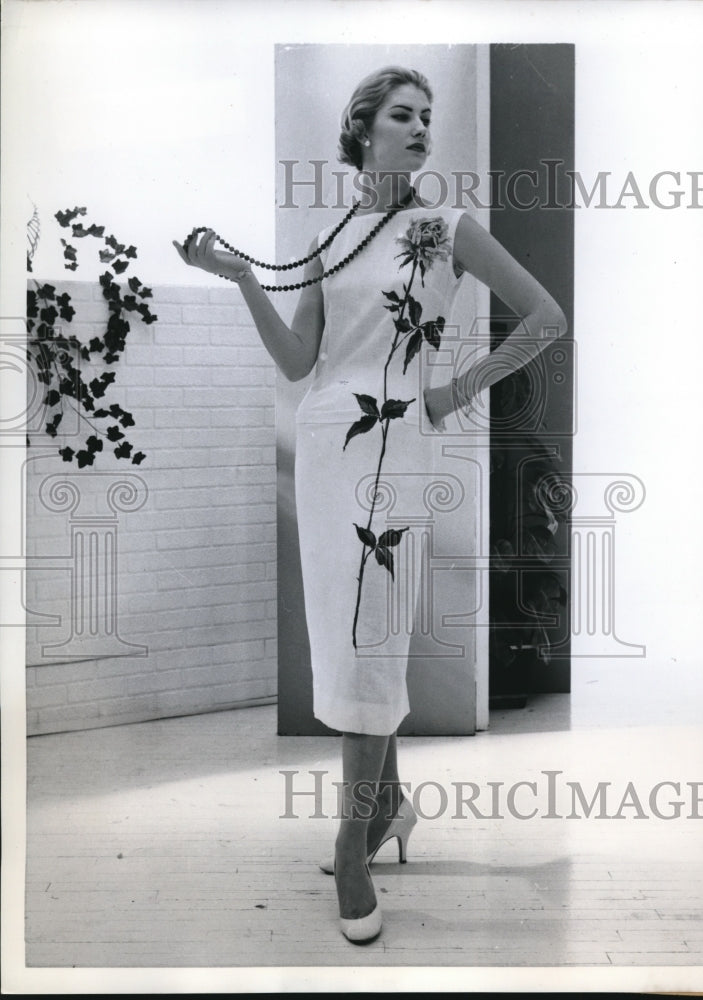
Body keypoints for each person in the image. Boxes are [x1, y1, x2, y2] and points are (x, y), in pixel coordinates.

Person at [174, 65, 567, 945]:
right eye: (403, 114)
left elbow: (544, 315)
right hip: (325, 444)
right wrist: (242, 277)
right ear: (362, 130)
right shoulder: (331, 233)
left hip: (395, 445)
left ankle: (351, 845)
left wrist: (455, 388)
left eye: (428, 116)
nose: (422, 127)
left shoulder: (446, 228)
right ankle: (387, 808)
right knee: (345, 637)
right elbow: (297, 361)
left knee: (371, 634)